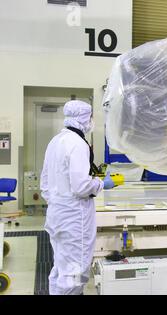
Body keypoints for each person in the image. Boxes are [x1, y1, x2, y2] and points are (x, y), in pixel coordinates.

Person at [40, 100, 115, 295]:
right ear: (83, 118)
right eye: (90, 117)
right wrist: (102, 184)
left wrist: (60, 202)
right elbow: (81, 186)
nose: (91, 121)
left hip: (57, 216)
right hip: (75, 220)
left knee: (60, 267)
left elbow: (45, 185)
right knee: (76, 270)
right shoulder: (78, 144)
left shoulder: (55, 141)